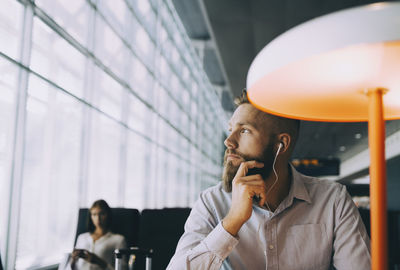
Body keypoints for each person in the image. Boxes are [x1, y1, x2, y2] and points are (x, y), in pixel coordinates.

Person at [167, 90, 371, 269]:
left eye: (244, 131)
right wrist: (232, 222)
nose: (228, 141)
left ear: (281, 144)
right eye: (231, 130)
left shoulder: (332, 200)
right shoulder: (211, 202)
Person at [71, 199, 127, 270]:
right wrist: (72, 261)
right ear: (91, 217)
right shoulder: (82, 237)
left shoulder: (118, 239)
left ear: (108, 215)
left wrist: (99, 262)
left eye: (102, 214)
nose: (98, 218)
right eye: (94, 214)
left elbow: (122, 269)